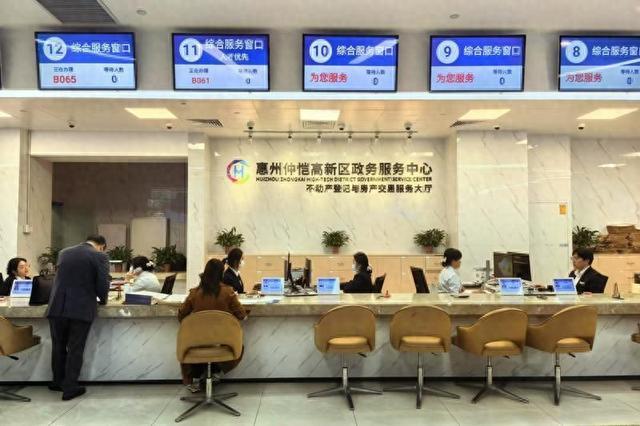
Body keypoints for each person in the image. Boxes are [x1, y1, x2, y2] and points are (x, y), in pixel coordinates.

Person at [46, 235, 110, 401]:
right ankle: (70, 387)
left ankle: (57, 382)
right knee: (75, 348)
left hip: (56, 306)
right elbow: (102, 283)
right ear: (102, 246)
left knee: (58, 346)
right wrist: (103, 300)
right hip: (80, 308)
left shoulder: (64, 252)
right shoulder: (100, 256)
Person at [178, 258, 247, 392]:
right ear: (221, 274)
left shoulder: (194, 293)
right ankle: (215, 373)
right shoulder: (228, 292)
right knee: (239, 345)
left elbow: (181, 317)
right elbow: (242, 315)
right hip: (223, 344)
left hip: (197, 344)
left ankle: (198, 377)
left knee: (188, 341)